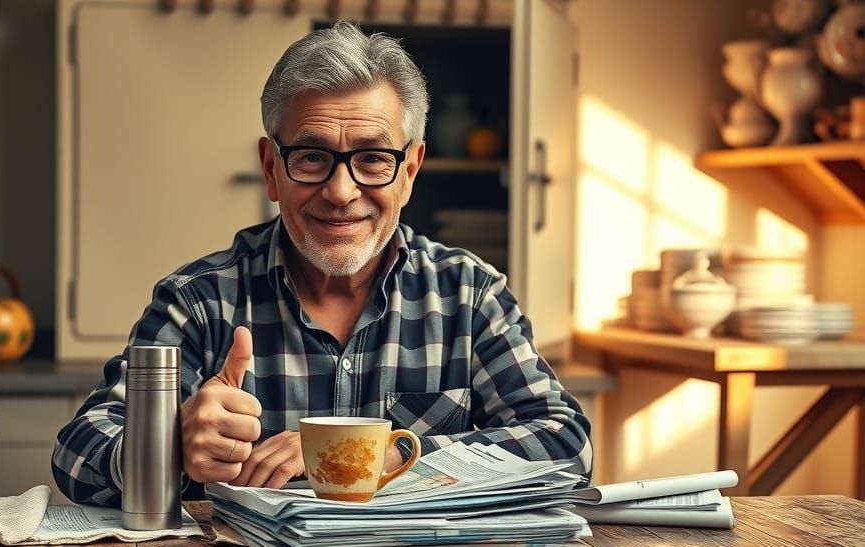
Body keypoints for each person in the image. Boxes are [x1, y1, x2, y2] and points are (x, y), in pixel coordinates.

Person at [52, 21, 592, 506]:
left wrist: (385, 456)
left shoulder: (470, 294)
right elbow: (77, 454)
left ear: (410, 170)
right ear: (270, 167)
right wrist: (166, 446)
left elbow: (566, 445)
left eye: (374, 158)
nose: (340, 191)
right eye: (311, 157)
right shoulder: (199, 300)